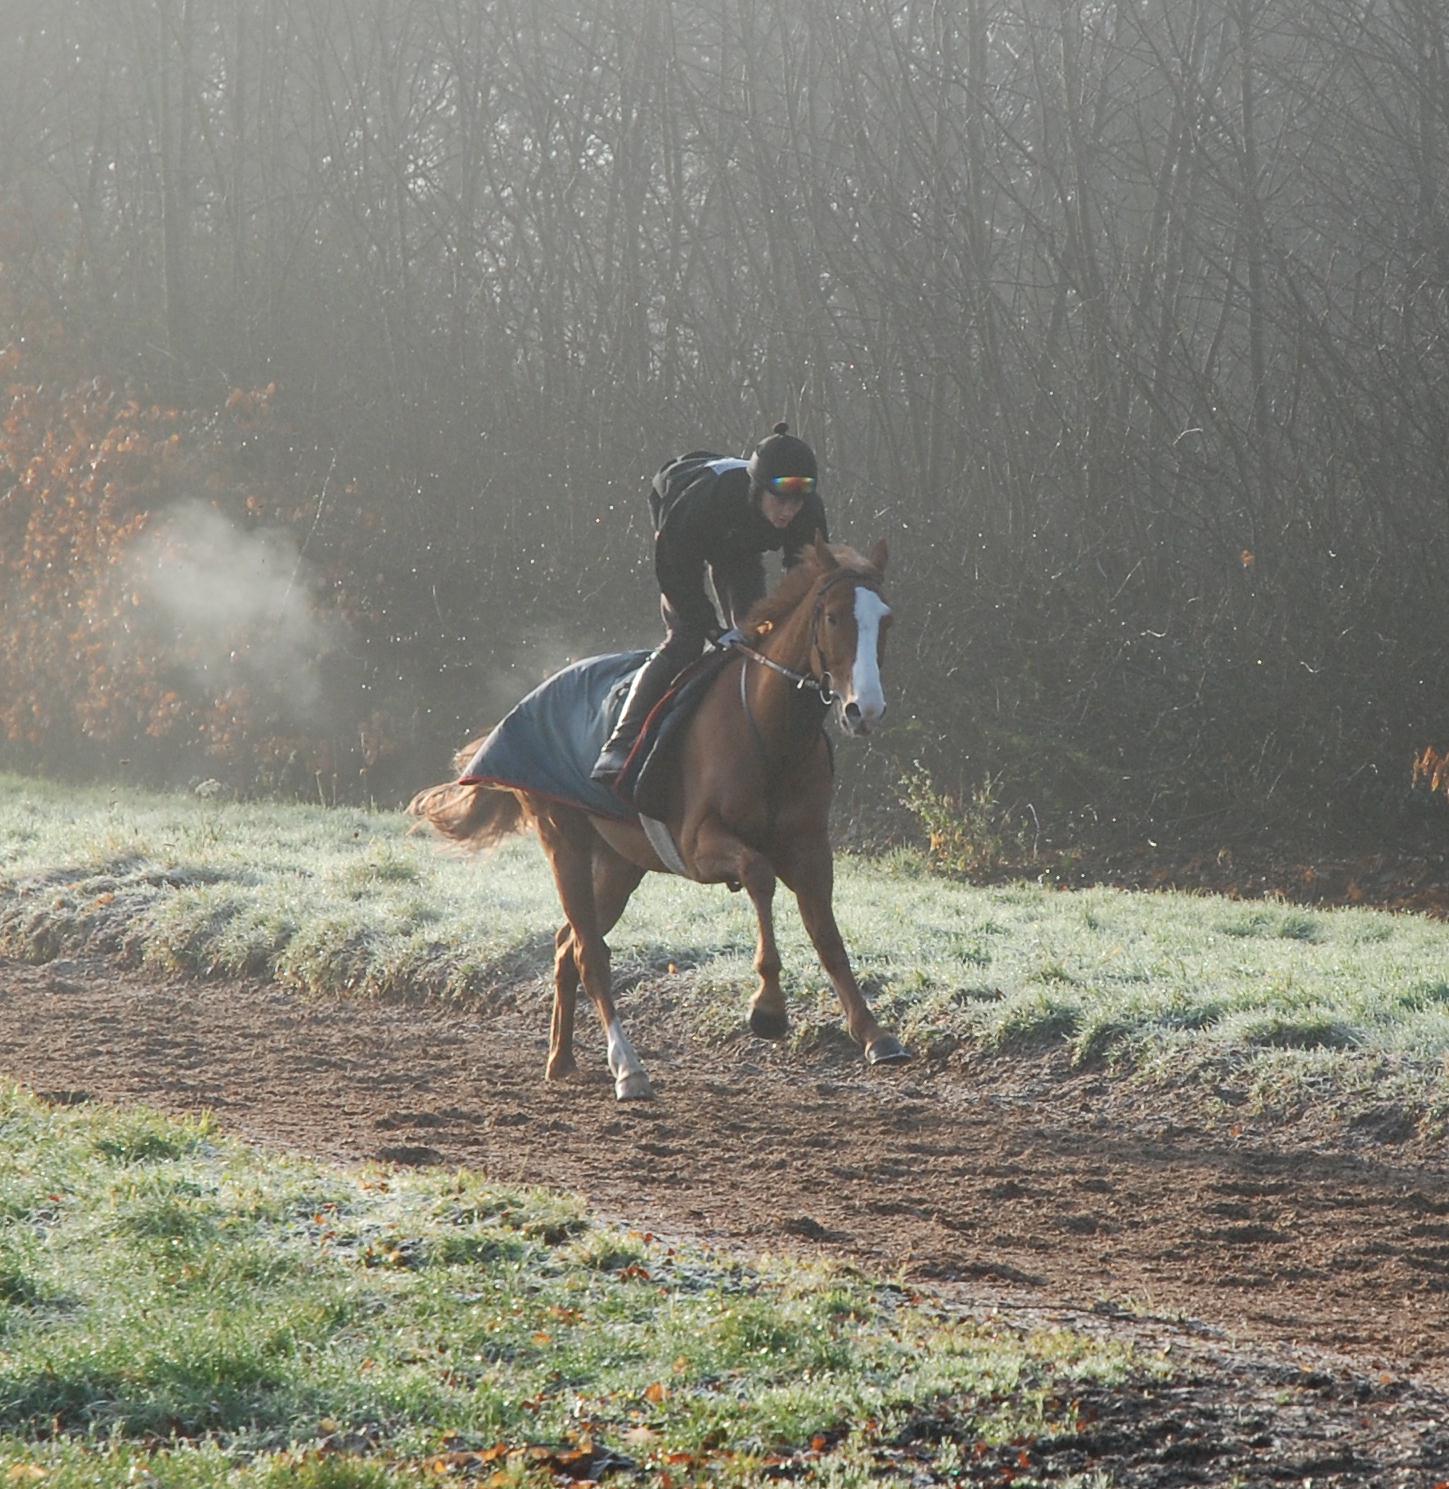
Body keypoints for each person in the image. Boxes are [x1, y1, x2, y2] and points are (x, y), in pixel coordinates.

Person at [591, 421, 829, 786]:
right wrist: (713, 629)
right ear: (757, 490)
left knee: (757, 634)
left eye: (797, 501)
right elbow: (675, 574)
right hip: (680, 535)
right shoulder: (704, 502)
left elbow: (804, 581)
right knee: (686, 638)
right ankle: (620, 741)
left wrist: (770, 625)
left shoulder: (807, 512)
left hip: (739, 549)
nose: (788, 512)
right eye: (780, 499)